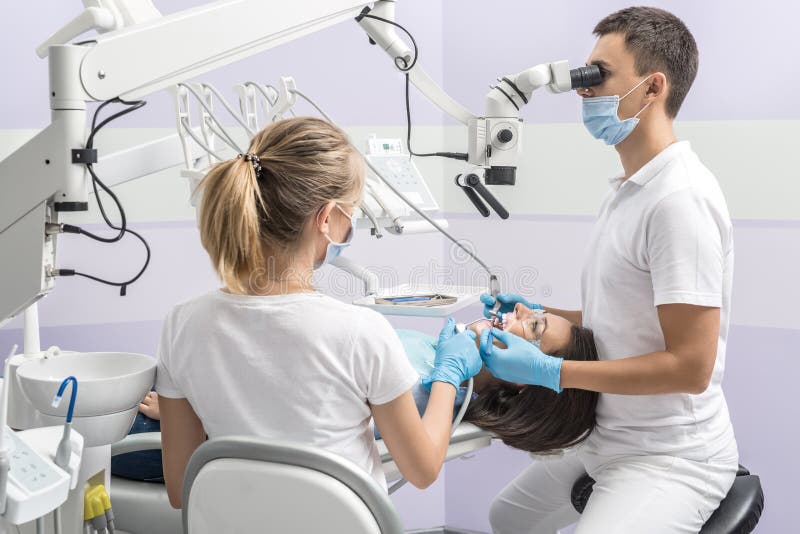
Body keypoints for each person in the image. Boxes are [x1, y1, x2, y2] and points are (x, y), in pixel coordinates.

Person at [479, 7, 738, 534]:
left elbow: (690, 366)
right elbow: (622, 317)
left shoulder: (678, 200)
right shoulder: (627, 191)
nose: (582, 91)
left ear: (652, 88)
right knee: (508, 519)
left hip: (670, 456)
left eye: (599, 76)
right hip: (607, 435)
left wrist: (554, 372)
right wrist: (536, 312)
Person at [154, 117, 482, 508]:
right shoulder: (361, 332)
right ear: (326, 219)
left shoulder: (182, 324)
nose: (352, 224)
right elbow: (423, 469)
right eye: (353, 212)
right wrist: (448, 376)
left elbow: (180, 488)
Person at [122, 302, 598, 478]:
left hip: (176, 437)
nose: (515, 312)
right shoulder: (441, 361)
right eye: (530, 310)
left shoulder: (434, 388)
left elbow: (305, 433)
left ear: (524, 377)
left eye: (532, 325)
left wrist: (195, 417)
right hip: (185, 408)